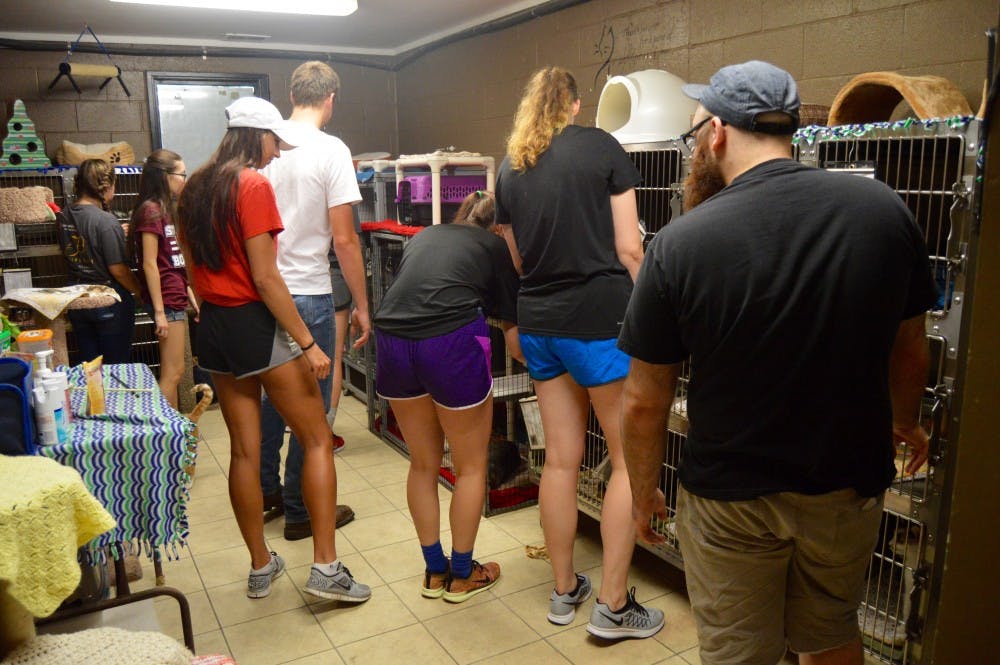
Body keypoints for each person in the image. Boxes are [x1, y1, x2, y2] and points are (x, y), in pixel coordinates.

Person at [618, 61, 937, 665]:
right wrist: (905, 422)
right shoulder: (883, 211)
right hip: (845, 487)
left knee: (742, 654)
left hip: (732, 499)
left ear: (716, 133)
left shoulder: (682, 244)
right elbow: (910, 345)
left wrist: (642, 492)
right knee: (833, 637)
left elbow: (643, 400)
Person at [176, 95, 370, 603]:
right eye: (273, 143)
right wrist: (308, 343)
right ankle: (326, 568)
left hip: (213, 329)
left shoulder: (193, 185)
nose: (277, 153)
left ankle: (261, 565)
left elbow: (192, 268)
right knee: (317, 439)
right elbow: (266, 278)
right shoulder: (252, 183)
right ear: (256, 137)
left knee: (243, 449)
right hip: (255, 325)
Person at [495, 65, 663, 639]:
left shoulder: (510, 166)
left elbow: (517, 261)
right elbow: (629, 248)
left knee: (562, 461)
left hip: (538, 323)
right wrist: (655, 315)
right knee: (624, 461)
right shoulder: (602, 147)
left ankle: (564, 591)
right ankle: (614, 607)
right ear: (574, 105)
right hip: (597, 322)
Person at [374, 191, 518, 602]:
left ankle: (434, 571)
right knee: (470, 466)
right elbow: (513, 330)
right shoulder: (494, 245)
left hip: (393, 339)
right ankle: (462, 573)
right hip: (449, 338)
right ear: (499, 227)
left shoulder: (424, 234)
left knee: (423, 463)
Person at [258, 61, 370, 540]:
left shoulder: (263, 144)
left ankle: (268, 496)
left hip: (263, 291)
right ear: (330, 100)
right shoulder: (332, 149)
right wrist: (363, 304)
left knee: (268, 397)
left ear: (291, 94)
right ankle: (300, 510)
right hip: (307, 292)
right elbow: (344, 241)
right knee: (311, 407)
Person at [130, 149, 198, 408]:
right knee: (172, 373)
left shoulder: (165, 209)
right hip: (166, 300)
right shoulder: (151, 210)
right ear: (165, 176)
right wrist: (159, 312)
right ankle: (166, 436)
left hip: (175, 295)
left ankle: (169, 431)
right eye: (182, 174)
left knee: (176, 371)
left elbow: (173, 261)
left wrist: (191, 296)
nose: (184, 180)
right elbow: (149, 263)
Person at [57, 158, 142, 365]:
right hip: (107, 300)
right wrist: (140, 291)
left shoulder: (65, 214)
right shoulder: (106, 221)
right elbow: (118, 269)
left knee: (91, 365)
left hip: (78, 298)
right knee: (115, 365)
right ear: (106, 186)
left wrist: (114, 233)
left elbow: (85, 238)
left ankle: (94, 398)